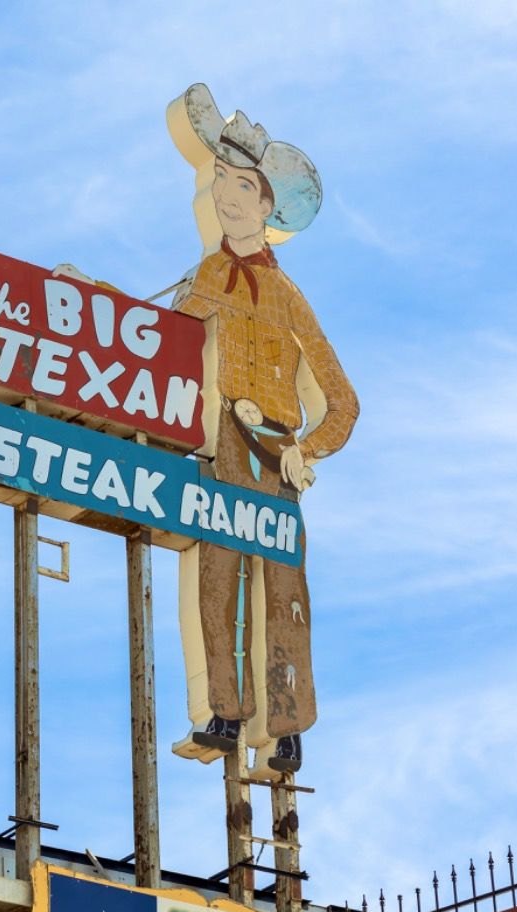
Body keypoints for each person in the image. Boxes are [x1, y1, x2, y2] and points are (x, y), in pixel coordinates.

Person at [165, 84, 357, 778]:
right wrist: (85, 298)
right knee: (215, 579)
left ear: (268, 203)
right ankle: (222, 709)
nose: (229, 196)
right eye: (221, 179)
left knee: (284, 595)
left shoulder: (285, 295)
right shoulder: (211, 274)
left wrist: (308, 450)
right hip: (220, 441)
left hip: (276, 452)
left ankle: (286, 725)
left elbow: (343, 400)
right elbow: (156, 340)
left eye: (243, 184)